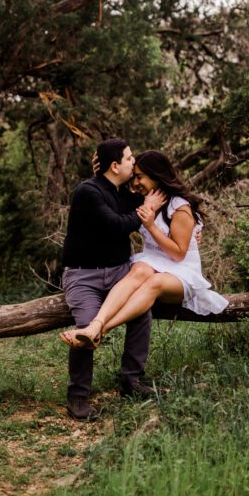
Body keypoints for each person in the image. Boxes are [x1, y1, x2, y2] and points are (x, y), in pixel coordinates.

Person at [61, 150, 229, 351]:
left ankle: (99, 329)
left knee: (154, 283)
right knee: (139, 270)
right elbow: (108, 197)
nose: (135, 182)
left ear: (156, 175)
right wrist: (102, 174)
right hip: (154, 261)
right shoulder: (143, 201)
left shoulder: (179, 207)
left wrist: (151, 226)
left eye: (140, 177)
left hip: (182, 271)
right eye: (134, 177)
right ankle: (96, 324)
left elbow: (178, 254)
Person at [60, 138, 165, 421]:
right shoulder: (88, 192)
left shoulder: (122, 191)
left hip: (119, 271)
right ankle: (78, 395)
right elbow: (116, 226)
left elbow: (166, 195)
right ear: (115, 165)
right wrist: (146, 212)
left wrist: (195, 228)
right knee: (86, 324)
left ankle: (131, 380)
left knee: (142, 312)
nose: (135, 162)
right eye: (130, 159)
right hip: (84, 275)